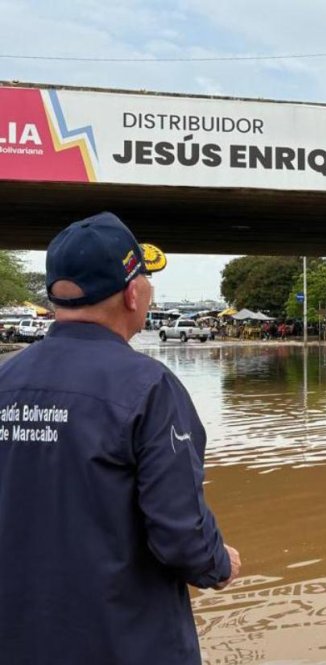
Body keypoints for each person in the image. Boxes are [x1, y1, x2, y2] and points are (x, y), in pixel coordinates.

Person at [0, 212, 240, 665]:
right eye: (147, 281)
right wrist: (218, 563)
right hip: (124, 644)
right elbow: (180, 534)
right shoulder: (149, 388)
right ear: (133, 293)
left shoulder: (6, 379)